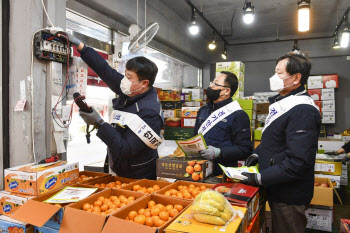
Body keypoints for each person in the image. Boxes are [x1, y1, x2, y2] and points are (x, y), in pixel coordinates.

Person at [242, 52, 321, 233]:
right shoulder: (284, 103)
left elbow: (298, 161)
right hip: (278, 186)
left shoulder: (302, 110)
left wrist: (260, 178)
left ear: (296, 78)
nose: (273, 77)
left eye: (279, 73)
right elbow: (276, 139)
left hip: (289, 195)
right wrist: (257, 153)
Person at [67, 33, 163, 180]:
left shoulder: (150, 113)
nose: (124, 80)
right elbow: (105, 70)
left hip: (138, 175)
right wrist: (80, 45)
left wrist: (99, 122)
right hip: (118, 165)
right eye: (125, 75)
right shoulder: (131, 88)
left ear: (144, 83)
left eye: (129, 77)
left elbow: (126, 149)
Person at [194, 71, 253, 176]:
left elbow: (245, 149)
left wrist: (219, 152)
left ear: (226, 91)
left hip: (222, 172)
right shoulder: (203, 110)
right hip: (199, 169)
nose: (210, 86)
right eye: (212, 82)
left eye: (215, 84)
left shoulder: (238, 115)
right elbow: (195, 136)